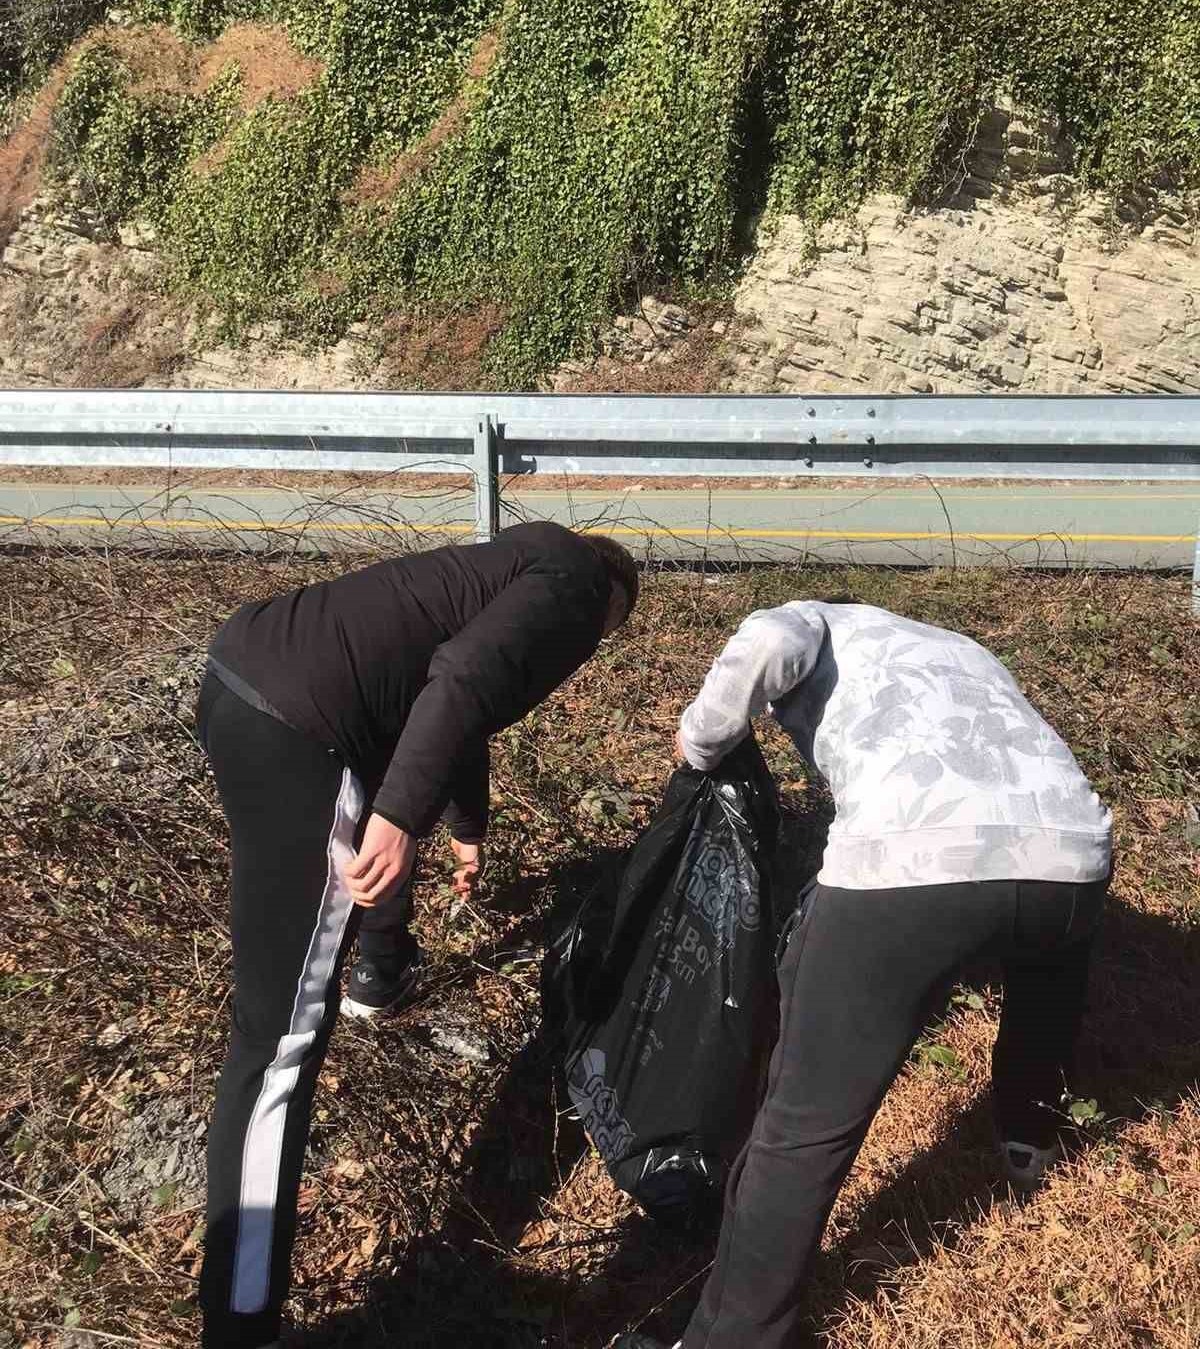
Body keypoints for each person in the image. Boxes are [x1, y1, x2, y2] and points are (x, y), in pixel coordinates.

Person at [618, 597, 1111, 1349]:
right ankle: (1028, 1140)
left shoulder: (813, 618)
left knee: (801, 1126)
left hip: (909, 860)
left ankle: (734, 1337)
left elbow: (771, 642)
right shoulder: (960, 645)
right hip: (1072, 856)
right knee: (1046, 984)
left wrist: (699, 750)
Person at [195, 520, 638, 1349]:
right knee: (279, 1044)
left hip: (239, 679)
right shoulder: (580, 583)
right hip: (305, 726)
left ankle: (378, 972)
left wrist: (466, 822)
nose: (593, 649)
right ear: (614, 601)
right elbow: (464, 679)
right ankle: (240, 1324)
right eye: (606, 635)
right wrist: (400, 819)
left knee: (314, 917)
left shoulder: (513, 561)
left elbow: (454, 698)